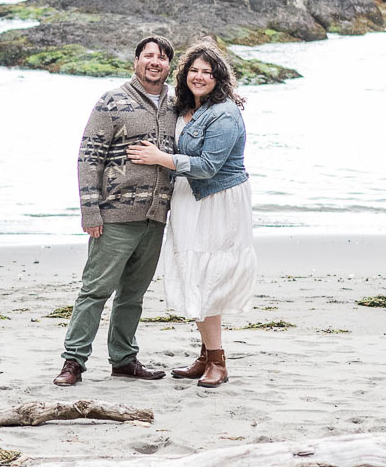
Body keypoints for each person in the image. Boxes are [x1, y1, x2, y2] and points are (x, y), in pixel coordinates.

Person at [126, 40, 254, 388]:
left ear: (219, 78)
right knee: (195, 272)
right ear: (185, 74)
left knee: (207, 277)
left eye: (207, 73)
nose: (199, 77)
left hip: (217, 200)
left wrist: (160, 159)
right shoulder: (182, 107)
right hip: (187, 198)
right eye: (194, 70)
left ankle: (218, 362)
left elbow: (209, 166)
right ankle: (203, 357)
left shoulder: (224, 113)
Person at [54, 34, 179, 386]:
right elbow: (88, 158)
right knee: (95, 291)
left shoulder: (176, 104)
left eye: (162, 57)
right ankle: (73, 362)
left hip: (155, 217)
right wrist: (90, 212)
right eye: (148, 55)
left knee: (133, 295)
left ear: (169, 65)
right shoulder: (112, 101)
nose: (155, 62)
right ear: (136, 61)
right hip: (114, 217)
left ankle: (124, 359)